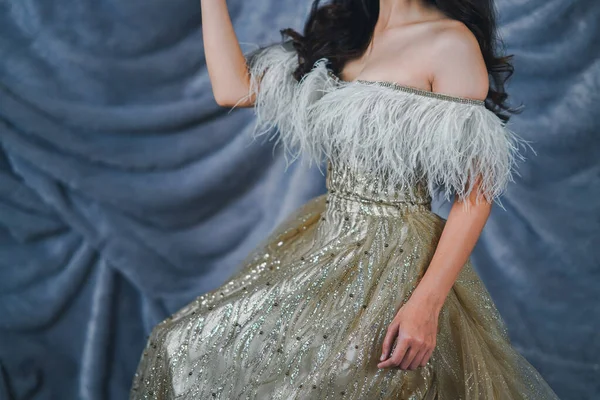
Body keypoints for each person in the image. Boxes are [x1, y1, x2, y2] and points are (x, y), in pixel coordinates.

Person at [130, 0, 561, 398]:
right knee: (185, 344)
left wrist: (426, 305)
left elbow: (476, 192)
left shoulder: (450, 42)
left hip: (395, 259)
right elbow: (232, 88)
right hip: (327, 242)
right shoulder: (345, 34)